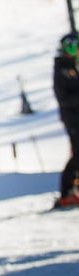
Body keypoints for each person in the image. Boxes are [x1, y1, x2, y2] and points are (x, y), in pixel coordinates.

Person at [53, 31, 79, 207]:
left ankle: (72, 189)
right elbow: (64, 97)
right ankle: (66, 191)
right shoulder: (62, 68)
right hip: (72, 118)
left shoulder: (72, 66)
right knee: (78, 154)